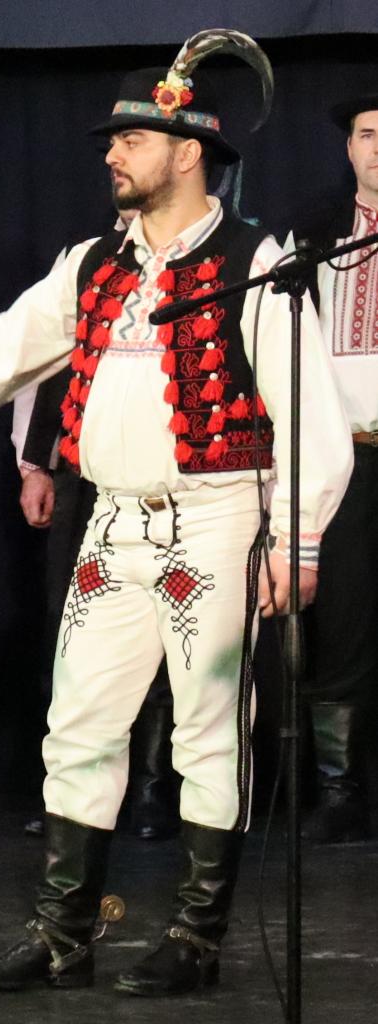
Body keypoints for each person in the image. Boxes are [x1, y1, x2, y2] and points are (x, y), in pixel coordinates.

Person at [0, 32, 353, 997]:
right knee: (78, 725)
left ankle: (197, 938)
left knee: (209, 729)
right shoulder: (90, 265)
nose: (112, 154)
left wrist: (297, 535)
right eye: (111, 141)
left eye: (131, 139)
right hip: (112, 523)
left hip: (216, 519)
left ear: (188, 150)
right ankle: (64, 935)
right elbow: (1, 352)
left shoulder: (254, 262)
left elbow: (309, 412)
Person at [14, 365, 180, 841]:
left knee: (158, 627)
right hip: (82, 471)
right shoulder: (85, 307)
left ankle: (150, 788)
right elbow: (58, 365)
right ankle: (70, 794)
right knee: (69, 631)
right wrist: (37, 466)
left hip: (163, 475)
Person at [287, 94, 378, 843]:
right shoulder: (315, 235)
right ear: (349, 148)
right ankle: (341, 793)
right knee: (344, 619)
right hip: (348, 457)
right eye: (369, 134)